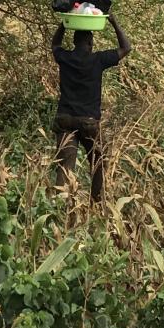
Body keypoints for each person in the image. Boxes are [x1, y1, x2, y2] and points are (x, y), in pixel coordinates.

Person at [51, 13, 132, 201]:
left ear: (75, 42)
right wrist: (113, 21)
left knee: (64, 166)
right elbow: (126, 47)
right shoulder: (98, 60)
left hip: (65, 120)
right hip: (89, 122)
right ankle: (96, 202)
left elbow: (55, 45)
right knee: (98, 162)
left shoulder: (65, 58)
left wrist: (64, 23)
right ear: (90, 44)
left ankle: (58, 208)